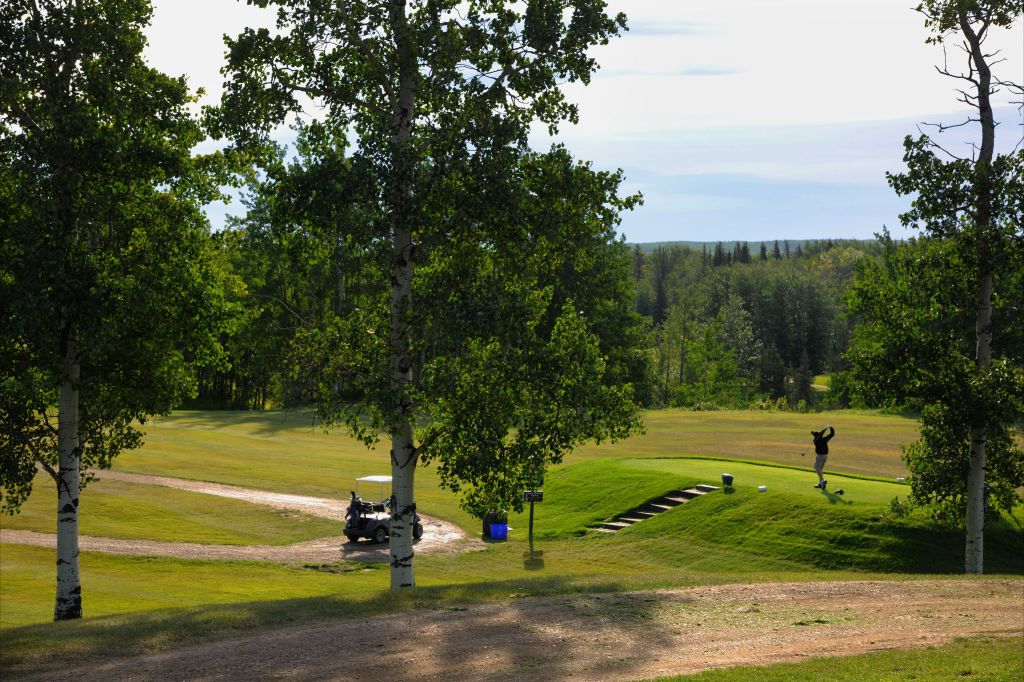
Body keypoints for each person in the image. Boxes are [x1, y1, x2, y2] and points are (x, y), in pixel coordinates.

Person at [810, 424, 835, 489]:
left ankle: (822, 481)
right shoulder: (823, 439)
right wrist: (830, 427)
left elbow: (821, 434)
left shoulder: (816, 440)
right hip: (825, 456)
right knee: (819, 469)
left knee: (817, 468)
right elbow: (832, 434)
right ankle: (821, 483)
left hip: (820, 457)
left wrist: (826, 428)